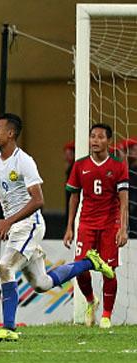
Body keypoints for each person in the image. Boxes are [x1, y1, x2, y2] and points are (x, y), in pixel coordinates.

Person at [0, 113, 115, 342]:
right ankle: (90, 261)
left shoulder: (24, 161)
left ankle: (9, 329)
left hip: (30, 225)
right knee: (41, 284)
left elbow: (38, 200)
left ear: (11, 133)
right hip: (15, 227)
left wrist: (9, 221)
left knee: (4, 268)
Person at [64, 123, 129, 328]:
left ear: (108, 141)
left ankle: (106, 315)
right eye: (92, 136)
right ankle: (91, 301)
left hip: (110, 225)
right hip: (87, 223)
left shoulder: (118, 166)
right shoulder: (80, 165)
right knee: (80, 268)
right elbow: (73, 197)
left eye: (100, 137)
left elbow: (124, 201)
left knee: (108, 270)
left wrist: (123, 228)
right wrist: (69, 227)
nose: (95, 140)